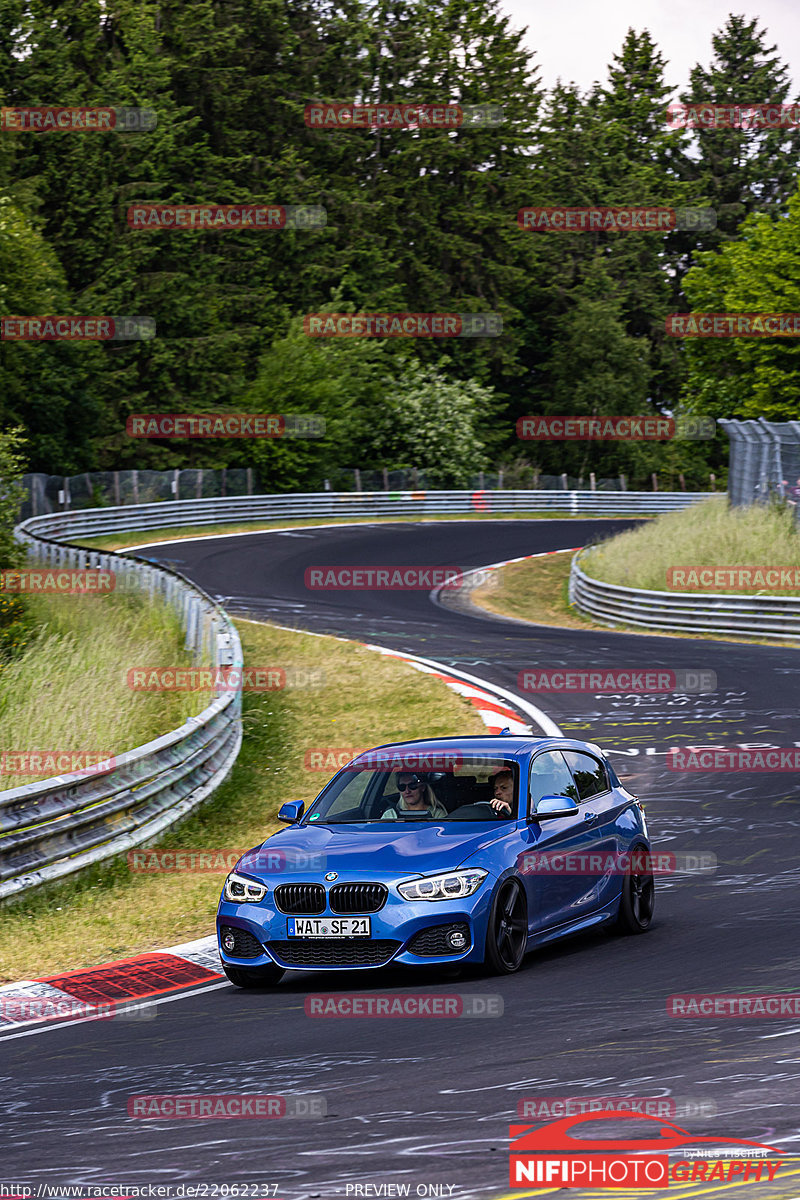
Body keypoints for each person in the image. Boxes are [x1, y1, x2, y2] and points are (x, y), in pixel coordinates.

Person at [381, 772, 448, 819]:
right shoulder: (391, 815)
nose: (407, 791)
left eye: (412, 786)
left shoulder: (437, 815)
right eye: (402, 787)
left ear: (422, 787)